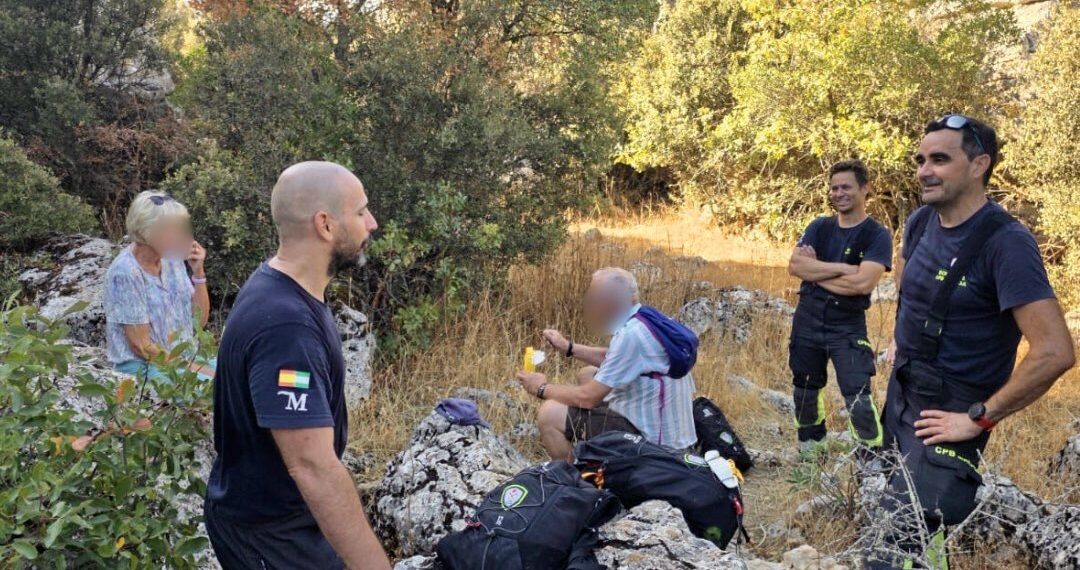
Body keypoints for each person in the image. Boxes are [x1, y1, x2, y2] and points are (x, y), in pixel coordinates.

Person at [869, 115, 1075, 569]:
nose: (924, 169)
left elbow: (1055, 351)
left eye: (940, 159)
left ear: (979, 164)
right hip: (903, 399)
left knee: (887, 555)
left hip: (951, 417)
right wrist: (900, 341)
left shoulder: (1007, 243)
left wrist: (980, 419)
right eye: (921, 159)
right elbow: (912, 288)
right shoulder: (922, 221)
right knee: (911, 540)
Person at [204, 162, 391, 570]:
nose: (372, 223)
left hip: (288, 521)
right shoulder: (286, 326)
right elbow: (312, 466)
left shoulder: (281, 286)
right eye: (360, 212)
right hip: (269, 533)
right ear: (325, 224)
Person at [516, 267, 697, 461]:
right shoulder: (647, 319)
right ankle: (597, 460)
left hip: (658, 447)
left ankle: (575, 482)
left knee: (550, 414)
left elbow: (588, 398)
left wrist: (541, 388)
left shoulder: (631, 335)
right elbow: (617, 359)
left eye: (594, 299)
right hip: (673, 433)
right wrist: (568, 347)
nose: (590, 305)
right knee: (587, 374)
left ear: (609, 302)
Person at [786, 160, 893, 455]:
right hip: (807, 319)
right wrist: (845, 269)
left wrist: (816, 272)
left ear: (864, 189)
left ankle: (870, 462)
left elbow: (862, 285)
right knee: (804, 391)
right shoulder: (819, 227)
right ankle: (811, 453)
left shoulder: (877, 235)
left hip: (847, 325)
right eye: (834, 188)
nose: (838, 193)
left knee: (858, 398)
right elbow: (795, 265)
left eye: (846, 187)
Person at [104, 190, 213, 379]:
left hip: (184, 358)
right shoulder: (125, 273)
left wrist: (198, 273)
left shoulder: (172, 259)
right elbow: (141, 347)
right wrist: (197, 369)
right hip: (145, 367)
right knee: (221, 390)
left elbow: (199, 323)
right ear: (147, 232)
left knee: (242, 373)